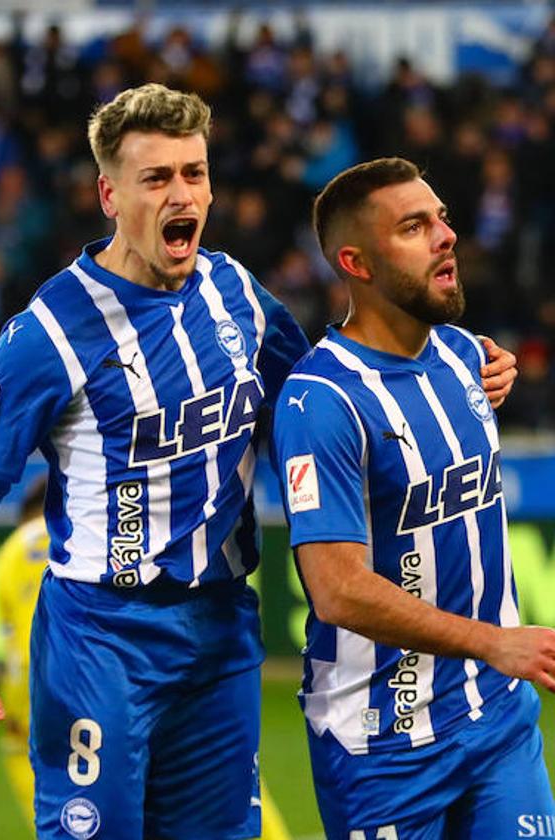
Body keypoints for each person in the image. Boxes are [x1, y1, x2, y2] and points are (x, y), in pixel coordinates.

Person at [0, 84, 516, 839]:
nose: (183, 194)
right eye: (157, 178)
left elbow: (331, 398)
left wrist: (452, 362)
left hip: (220, 632)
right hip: (101, 640)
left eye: (194, 173)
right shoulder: (50, 331)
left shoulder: (234, 294)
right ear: (110, 195)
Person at [271, 157, 555, 839]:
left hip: (496, 723)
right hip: (383, 743)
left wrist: (494, 661)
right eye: (414, 226)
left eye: (443, 219)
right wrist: (494, 643)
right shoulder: (322, 403)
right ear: (357, 262)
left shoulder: (465, 358)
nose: (446, 235)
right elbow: (338, 591)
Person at [0, 477, 48, 825]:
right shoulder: (83, 531)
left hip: (27, 675)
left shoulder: (11, 549)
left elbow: (9, 626)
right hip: (87, 663)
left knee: (26, 755)